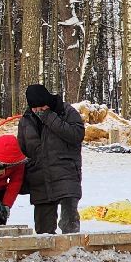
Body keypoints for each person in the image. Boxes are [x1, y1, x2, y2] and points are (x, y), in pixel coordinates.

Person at [16, 83, 85, 235]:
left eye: (42, 108)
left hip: (65, 173)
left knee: (70, 225)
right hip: (39, 178)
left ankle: (72, 253)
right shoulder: (25, 121)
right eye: (35, 109)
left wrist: (50, 118)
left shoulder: (66, 111)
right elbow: (22, 151)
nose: (38, 112)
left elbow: (77, 135)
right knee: (43, 231)